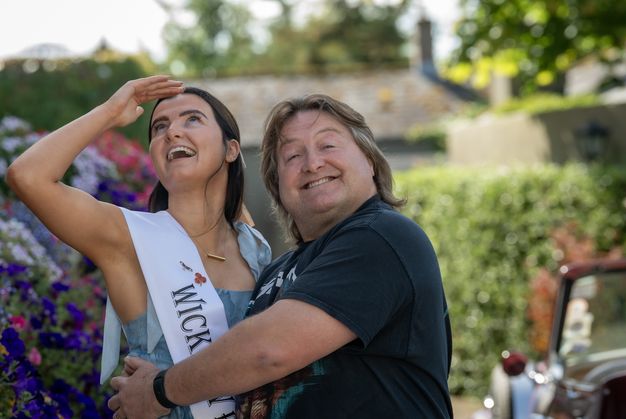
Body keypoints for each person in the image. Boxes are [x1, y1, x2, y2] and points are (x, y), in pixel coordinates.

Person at [108, 93, 453, 419]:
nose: (313, 163)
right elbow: (232, 364)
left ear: (371, 161)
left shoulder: (381, 237)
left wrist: (158, 391)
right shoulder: (274, 269)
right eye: (292, 156)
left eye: (328, 145)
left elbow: (266, 351)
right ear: (278, 186)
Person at [6, 76, 271, 419]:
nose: (172, 132)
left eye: (192, 119)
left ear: (232, 149)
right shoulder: (127, 238)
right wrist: (110, 111)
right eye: (160, 127)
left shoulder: (254, 247)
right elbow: (27, 176)